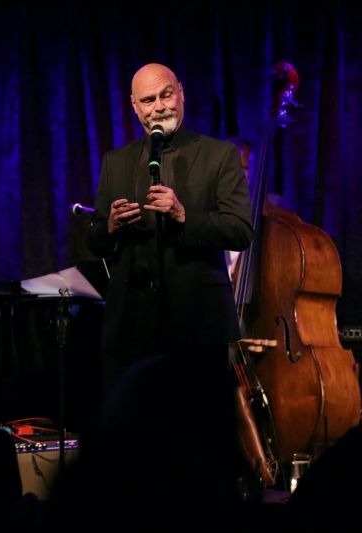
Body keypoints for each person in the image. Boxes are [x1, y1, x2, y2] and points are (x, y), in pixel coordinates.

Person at [86, 63, 255, 527]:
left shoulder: (218, 156)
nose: (159, 107)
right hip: (132, 324)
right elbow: (95, 239)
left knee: (197, 441)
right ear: (134, 108)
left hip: (194, 323)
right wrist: (112, 227)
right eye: (148, 100)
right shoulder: (117, 162)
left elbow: (241, 230)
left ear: (182, 93)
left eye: (166, 95)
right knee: (130, 444)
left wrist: (184, 215)